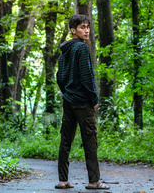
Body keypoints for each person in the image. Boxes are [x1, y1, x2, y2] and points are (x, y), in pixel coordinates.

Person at [55, 14, 110, 190]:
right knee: (90, 140)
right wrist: (94, 99)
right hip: (82, 102)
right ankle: (94, 181)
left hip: (68, 100)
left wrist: (67, 93)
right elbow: (87, 77)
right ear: (73, 30)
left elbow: (60, 78)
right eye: (82, 27)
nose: (86, 31)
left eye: (87, 27)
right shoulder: (81, 49)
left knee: (65, 140)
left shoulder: (65, 52)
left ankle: (63, 181)